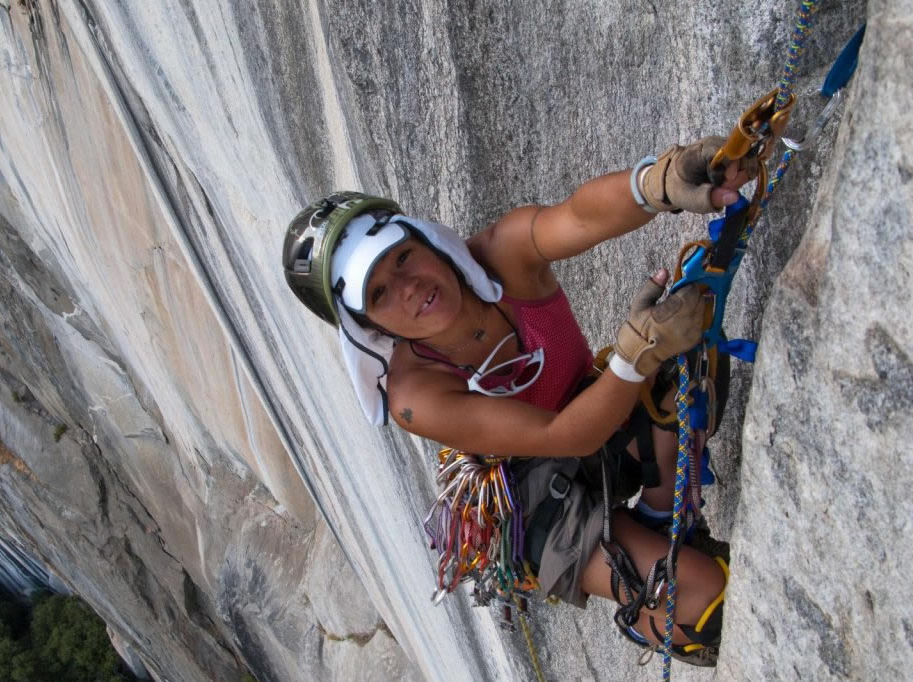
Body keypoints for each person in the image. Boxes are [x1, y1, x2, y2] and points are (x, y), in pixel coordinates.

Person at [282, 137, 750, 666]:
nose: (409, 287)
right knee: (702, 601)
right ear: (367, 327)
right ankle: (653, 611)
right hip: (525, 500)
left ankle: (663, 523)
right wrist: (631, 356)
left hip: (584, 413)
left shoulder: (503, 254)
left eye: (402, 258)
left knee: (688, 369)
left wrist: (660, 181)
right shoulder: (417, 397)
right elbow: (562, 436)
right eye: (380, 294)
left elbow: (579, 216)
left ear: (426, 242)